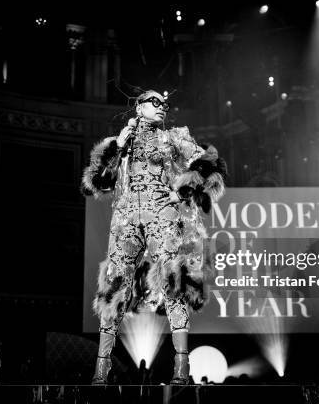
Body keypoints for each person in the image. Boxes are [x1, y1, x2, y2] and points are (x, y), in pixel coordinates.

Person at [81, 90, 226, 384]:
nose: (162, 108)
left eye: (165, 104)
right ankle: (101, 370)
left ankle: (181, 370)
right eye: (155, 102)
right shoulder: (121, 140)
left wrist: (181, 191)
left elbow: (207, 162)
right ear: (139, 106)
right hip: (125, 218)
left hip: (162, 214)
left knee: (173, 281)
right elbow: (97, 183)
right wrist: (117, 147)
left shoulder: (173, 137)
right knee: (114, 287)